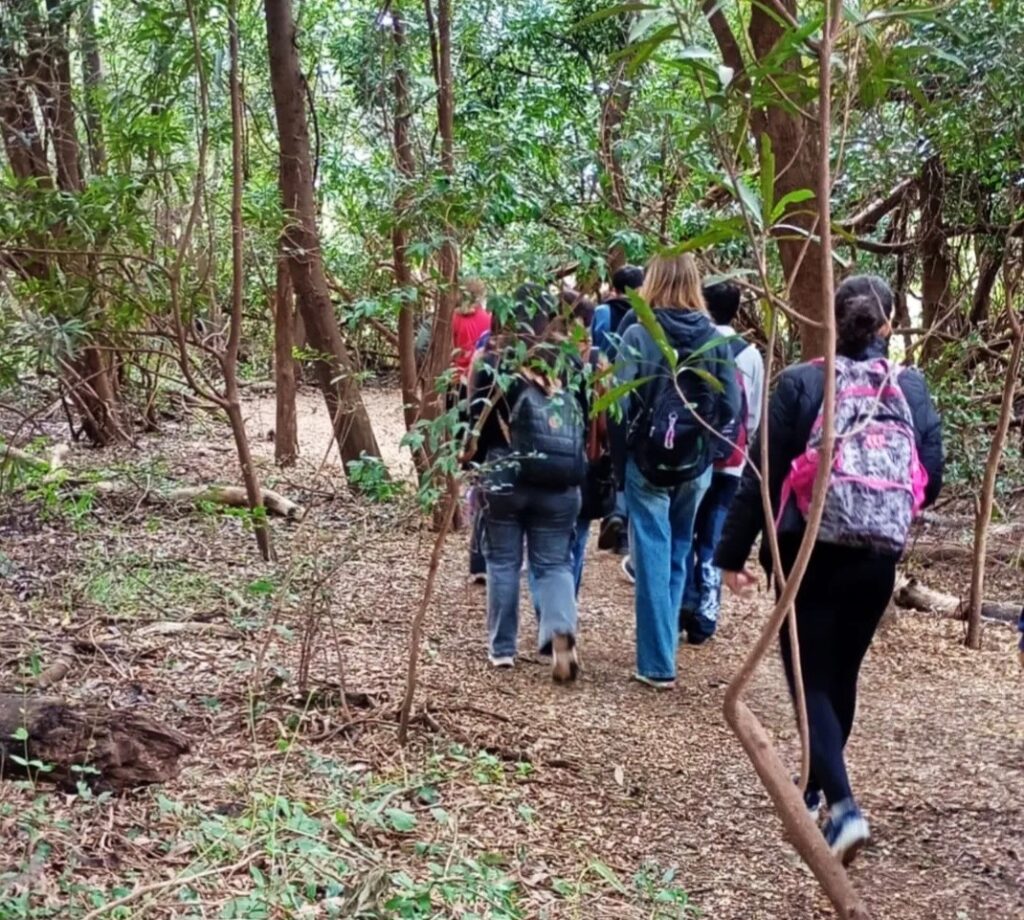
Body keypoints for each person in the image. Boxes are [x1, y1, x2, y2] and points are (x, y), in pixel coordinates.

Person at [715, 274, 944, 865]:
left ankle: (842, 807)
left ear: (831, 321)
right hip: (878, 557)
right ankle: (818, 784)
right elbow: (933, 479)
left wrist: (730, 556)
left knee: (809, 677)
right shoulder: (910, 389)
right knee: (841, 674)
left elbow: (762, 473)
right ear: (889, 323)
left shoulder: (801, 382)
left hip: (807, 552)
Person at [611, 252, 741, 690]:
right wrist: (712, 454)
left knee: (650, 553)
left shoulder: (637, 333)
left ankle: (657, 662)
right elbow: (732, 409)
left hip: (646, 462)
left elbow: (618, 404)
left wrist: (619, 462)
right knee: (678, 548)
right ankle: (662, 649)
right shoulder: (716, 340)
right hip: (695, 463)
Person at [467, 287, 586, 682]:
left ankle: (503, 649)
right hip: (558, 479)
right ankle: (559, 633)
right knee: (553, 563)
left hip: (504, 473)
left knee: (503, 561)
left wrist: (472, 463)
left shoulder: (492, 362)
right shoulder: (567, 364)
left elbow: (473, 425)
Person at [679, 281, 764, 644]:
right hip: (731, 460)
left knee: (683, 528)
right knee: (712, 536)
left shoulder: (693, 344)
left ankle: (684, 599)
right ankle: (707, 616)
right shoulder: (750, 355)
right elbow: (754, 414)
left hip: (693, 456)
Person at [593, 265, 645, 555]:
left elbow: (599, 348)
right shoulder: (645, 316)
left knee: (615, 453)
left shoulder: (605, 313)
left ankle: (615, 512)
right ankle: (624, 529)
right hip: (642, 391)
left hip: (613, 383)